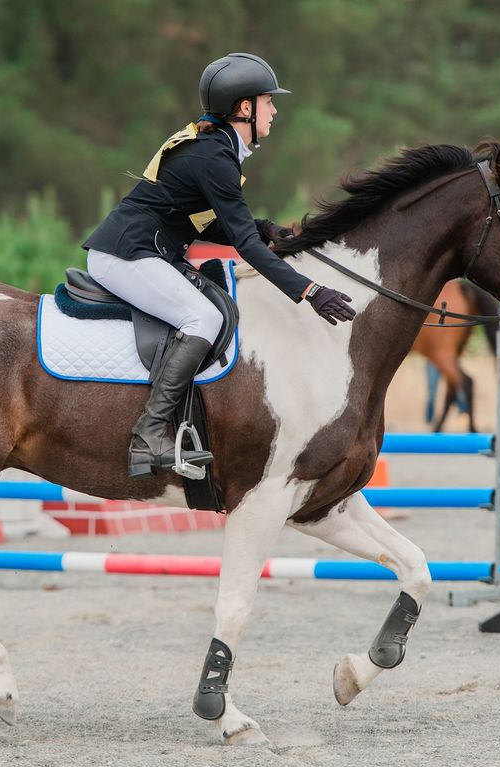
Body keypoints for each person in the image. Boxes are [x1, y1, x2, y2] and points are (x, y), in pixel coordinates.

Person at [82, 52, 357, 478]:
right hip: (126, 254)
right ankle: (149, 434)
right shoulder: (215, 156)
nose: (275, 109)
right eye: (269, 100)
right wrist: (310, 291)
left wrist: (264, 227)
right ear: (244, 108)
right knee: (203, 318)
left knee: (212, 308)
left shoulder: (216, 148)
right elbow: (244, 245)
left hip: (143, 250)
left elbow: (207, 224)